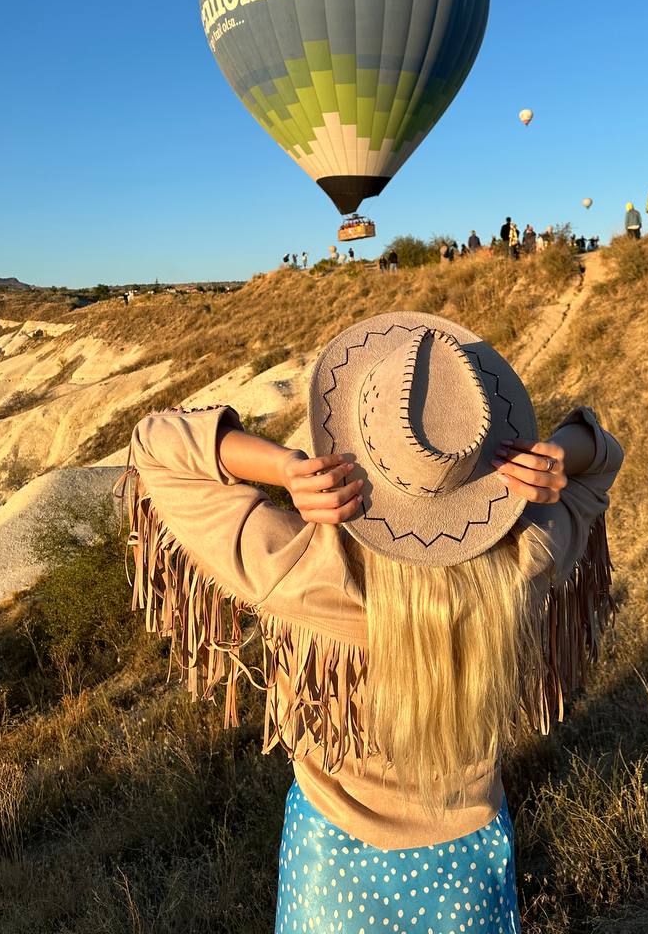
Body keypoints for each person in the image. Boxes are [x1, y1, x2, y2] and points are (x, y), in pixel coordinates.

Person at [115, 311, 622, 933]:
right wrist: (554, 457)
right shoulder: (527, 559)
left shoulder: (302, 569)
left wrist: (285, 469)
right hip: (467, 864)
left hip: (332, 867)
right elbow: (602, 458)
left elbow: (154, 448)